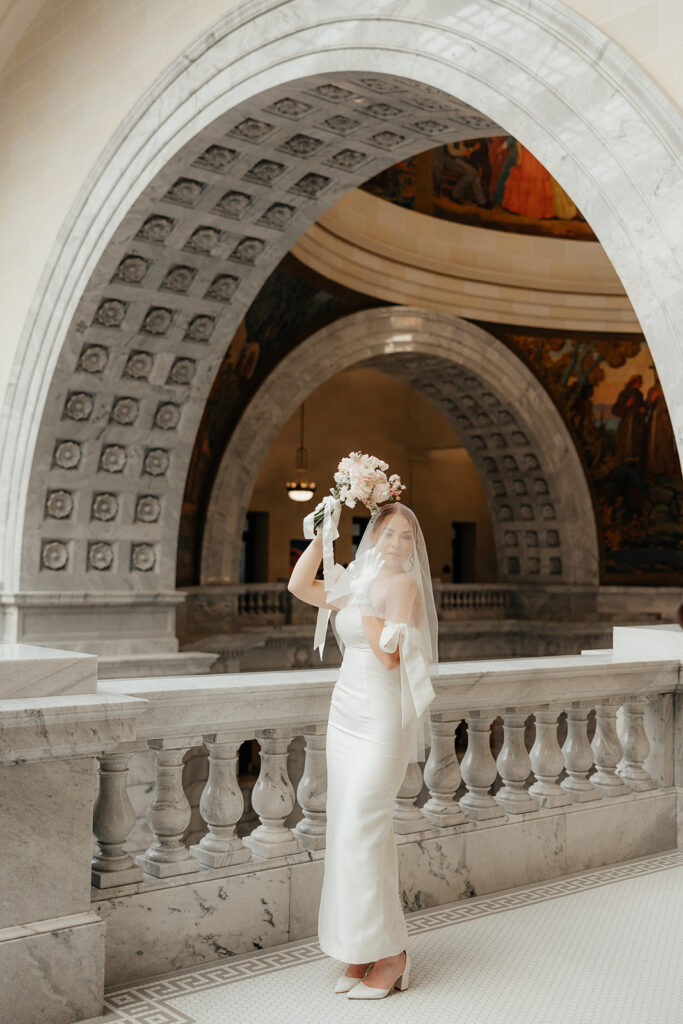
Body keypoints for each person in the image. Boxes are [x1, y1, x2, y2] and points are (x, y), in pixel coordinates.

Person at [288, 502, 438, 999]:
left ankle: (392, 955)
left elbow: (391, 658)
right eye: (387, 534)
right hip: (344, 712)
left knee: (364, 828)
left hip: (380, 718)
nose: (396, 544)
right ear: (372, 537)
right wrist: (321, 537)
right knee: (343, 828)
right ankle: (359, 946)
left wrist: (368, 603)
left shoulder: (401, 587)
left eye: (405, 537)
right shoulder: (356, 578)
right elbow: (299, 587)